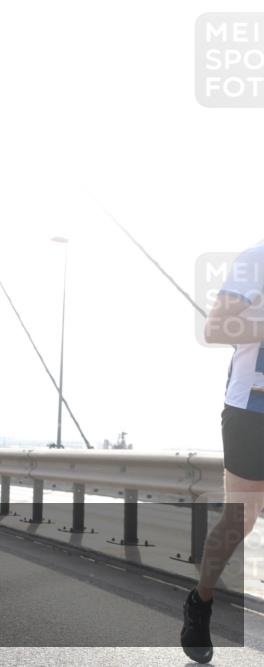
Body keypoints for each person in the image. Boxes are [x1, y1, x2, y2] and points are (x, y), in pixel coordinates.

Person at [182, 240, 264, 664]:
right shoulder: (255, 260)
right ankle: (200, 602)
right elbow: (215, 328)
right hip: (253, 408)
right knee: (241, 519)